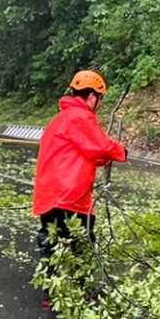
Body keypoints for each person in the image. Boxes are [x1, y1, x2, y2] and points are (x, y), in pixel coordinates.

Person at [31, 70, 127, 263]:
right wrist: (121, 152)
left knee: (53, 248)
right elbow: (100, 147)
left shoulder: (59, 120)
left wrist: (104, 159)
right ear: (92, 96)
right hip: (70, 197)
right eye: (100, 98)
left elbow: (84, 151)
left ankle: (51, 291)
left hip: (50, 197)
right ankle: (80, 289)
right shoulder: (80, 116)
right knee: (80, 248)